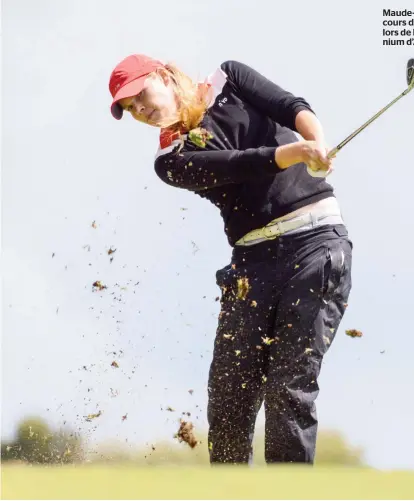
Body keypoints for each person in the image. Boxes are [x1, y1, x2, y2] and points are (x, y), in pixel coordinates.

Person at [108, 54, 353, 464]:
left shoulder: (229, 78)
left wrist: (316, 142)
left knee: (288, 390)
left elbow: (291, 106)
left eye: (139, 95)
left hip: (315, 246)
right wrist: (299, 152)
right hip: (252, 265)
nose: (141, 110)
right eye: (131, 109)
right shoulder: (170, 161)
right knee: (228, 399)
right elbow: (240, 166)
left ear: (163, 75)